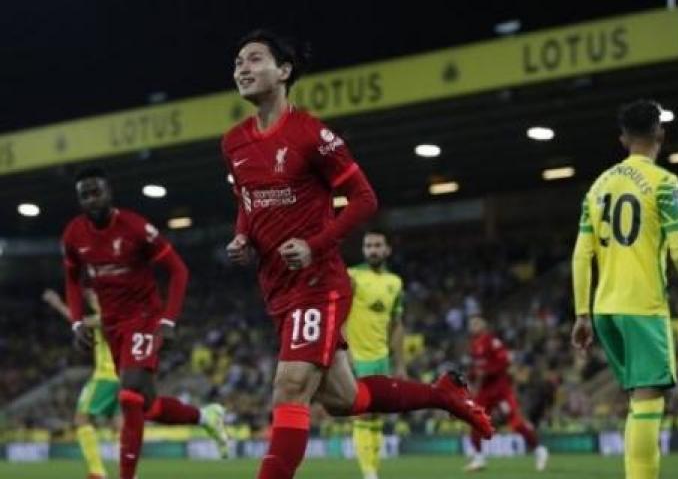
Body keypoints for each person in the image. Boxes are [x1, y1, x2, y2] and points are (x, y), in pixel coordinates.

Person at [223, 29, 493, 479]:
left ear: (284, 71)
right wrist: (242, 239)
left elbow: (364, 198)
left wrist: (313, 245)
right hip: (275, 288)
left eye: (253, 59)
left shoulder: (312, 133)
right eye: (237, 62)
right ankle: (443, 393)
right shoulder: (233, 143)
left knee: (289, 388)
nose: (242, 69)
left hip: (318, 283)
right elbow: (248, 204)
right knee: (342, 399)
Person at [571, 99, 678, 479]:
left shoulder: (597, 188)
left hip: (605, 310)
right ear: (660, 133)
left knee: (638, 404)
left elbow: (580, 255)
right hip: (643, 306)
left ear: (623, 138)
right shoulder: (664, 182)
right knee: (649, 403)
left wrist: (581, 313)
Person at [62, 167, 229, 479]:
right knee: (147, 407)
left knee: (129, 394)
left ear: (109, 193)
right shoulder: (74, 234)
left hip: (142, 318)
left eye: (96, 191)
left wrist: (167, 320)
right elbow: (72, 279)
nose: (91, 199)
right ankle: (206, 416)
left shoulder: (134, 227)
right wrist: (76, 322)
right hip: (112, 325)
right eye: (85, 195)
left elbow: (179, 270)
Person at [43, 288, 121, 479]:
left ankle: (97, 471)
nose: (92, 300)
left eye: (95, 297)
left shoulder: (109, 317)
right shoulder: (120, 316)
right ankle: (127, 473)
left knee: (82, 419)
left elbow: (84, 322)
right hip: (125, 377)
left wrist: (60, 306)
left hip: (105, 377)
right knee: (118, 425)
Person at [346, 230, 406, 479]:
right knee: (363, 412)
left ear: (386, 250)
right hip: (357, 356)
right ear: (363, 250)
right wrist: (343, 352)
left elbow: (397, 324)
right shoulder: (352, 276)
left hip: (382, 357)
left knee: (378, 413)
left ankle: (373, 469)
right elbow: (338, 314)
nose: (372, 249)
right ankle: (368, 472)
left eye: (377, 245)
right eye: (368, 245)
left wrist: (400, 363)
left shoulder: (395, 282)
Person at [463, 316, 548, 473]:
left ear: (484, 325)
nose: (473, 326)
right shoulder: (474, 346)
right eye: (471, 323)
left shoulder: (492, 341)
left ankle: (539, 450)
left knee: (516, 423)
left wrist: (486, 371)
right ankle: (479, 458)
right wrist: (472, 377)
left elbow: (504, 362)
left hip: (500, 390)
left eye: (476, 323)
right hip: (484, 392)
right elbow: (475, 370)